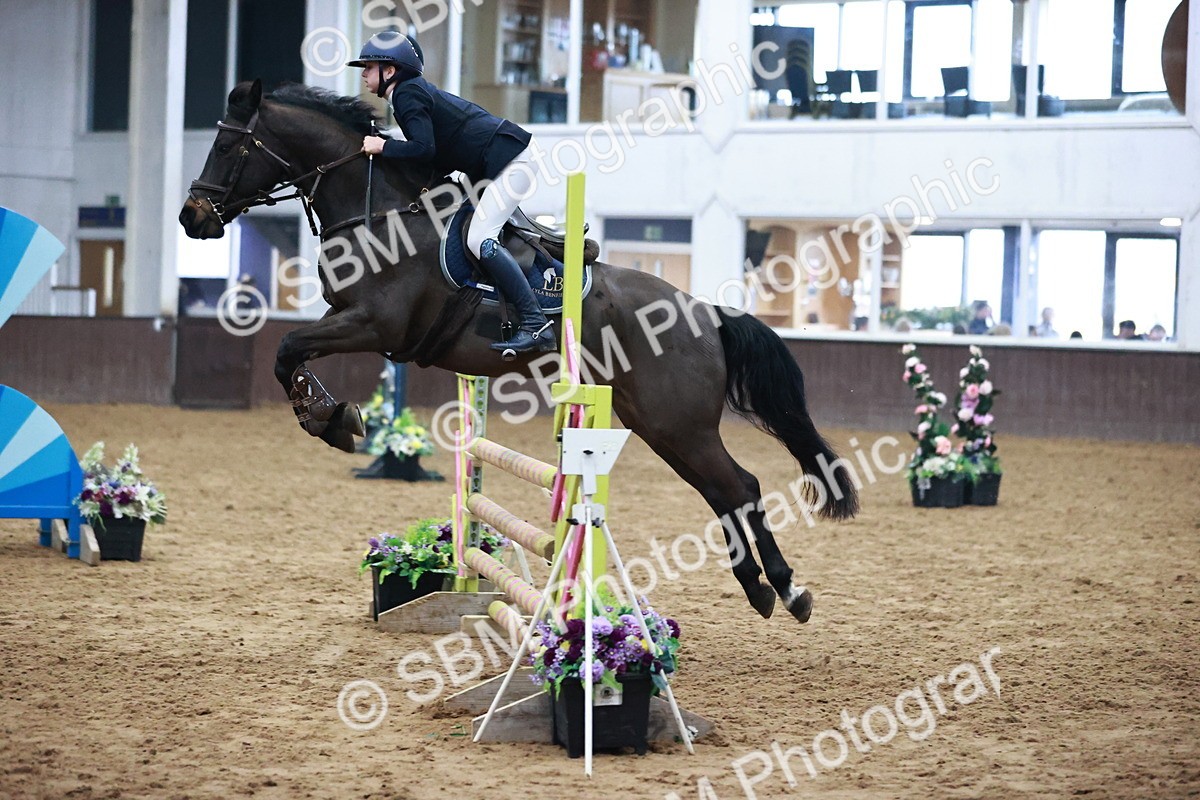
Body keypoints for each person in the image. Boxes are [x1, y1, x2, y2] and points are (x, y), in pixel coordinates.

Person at [349, 31, 556, 355]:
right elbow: (428, 151)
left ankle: (535, 324)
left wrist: (383, 146)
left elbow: (423, 148)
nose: (362, 73)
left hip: (513, 160)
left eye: (368, 66)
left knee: (478, 239)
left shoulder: (406, 94)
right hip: (488, 167)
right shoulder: (406, 94)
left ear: (389, 71)